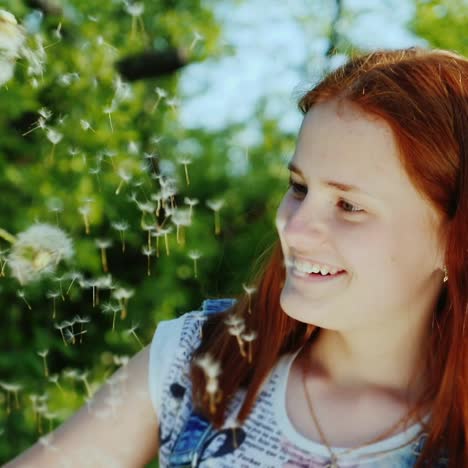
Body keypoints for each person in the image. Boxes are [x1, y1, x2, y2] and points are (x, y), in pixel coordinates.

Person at [5, 46, 467, 467]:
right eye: (299, 188)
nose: (295, 227)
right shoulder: (200, 359)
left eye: (349, 206)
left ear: (452, 238)